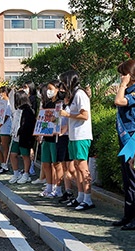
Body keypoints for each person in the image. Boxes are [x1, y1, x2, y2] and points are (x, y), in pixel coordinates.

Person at [111, 59, 135, 229]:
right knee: (127, 179)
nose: (120, 77)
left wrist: (122, 85)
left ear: (130, 75)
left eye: (122, 74)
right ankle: (128, 215)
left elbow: (118, 101)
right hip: (125, 140)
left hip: (133, 141)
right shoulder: (130, 91)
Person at [59, 70, 94, 211]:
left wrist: (67, 114)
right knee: (78, 167)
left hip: (82, 135)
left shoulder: (80, 94)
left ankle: (88, 198)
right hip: (73, 135)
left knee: (83, 167)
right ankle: (80, 196)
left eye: (63, 82)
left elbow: (84, 115)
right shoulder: (73, 95)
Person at [37, 80, 63, 198]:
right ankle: (49, 186)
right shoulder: (46, 103)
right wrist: (39, 132)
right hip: (46, 136)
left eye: (51, 88)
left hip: (56, 137)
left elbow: (60, 119)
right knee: (46, 163)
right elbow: (42, 119)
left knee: (56, 164)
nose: (49, 91)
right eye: (48, 89)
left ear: (57, 89)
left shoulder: (60, 103)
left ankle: (58, 188)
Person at [8, 90, 36, 184]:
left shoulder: (28, 110)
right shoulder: (17, 110)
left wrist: (21, 131)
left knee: (25, 155)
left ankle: (26, 173)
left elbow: (28, 125)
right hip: (15, 136)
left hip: (24, 137)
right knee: (13, 154)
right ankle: (16, 173)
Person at [0, 86, 13, 173]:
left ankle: (5, 165)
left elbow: (5, 117)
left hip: (5, 128)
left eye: (1, 92)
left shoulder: (8, 104)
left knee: (5, 147)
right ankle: (2, 163)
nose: (0, 94)